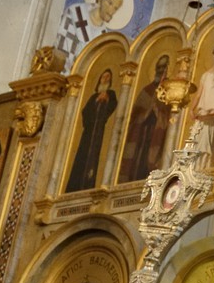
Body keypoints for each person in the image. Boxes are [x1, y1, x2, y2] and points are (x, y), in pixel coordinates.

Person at [119, 53, 171, 182]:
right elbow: (134, 113)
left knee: (152, 160)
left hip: (158, 133)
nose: (161, 70)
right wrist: (147, 112)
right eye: (159, 67)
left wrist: (158, 111)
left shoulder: (170, 89)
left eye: (164, 67)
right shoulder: (147, 90)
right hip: (142, 133)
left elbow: (172, 115)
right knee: (138, 158)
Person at [65, 69, 118, 191]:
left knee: (94, 157)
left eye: (108, 77)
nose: (105, 79)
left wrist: (107, 99)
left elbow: (113, 105)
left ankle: (89, 184)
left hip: (100, 131)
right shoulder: (93, 96)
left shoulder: (111, 94)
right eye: (103, 77)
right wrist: (96, 101)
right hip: (88, 132)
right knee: (82, 156)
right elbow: (85, 112)